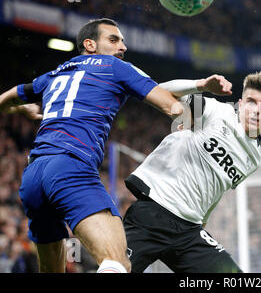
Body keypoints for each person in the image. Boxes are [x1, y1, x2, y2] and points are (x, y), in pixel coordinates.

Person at [0, 18, 219, 273]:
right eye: (113, 40)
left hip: (33, 177)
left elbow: (8, 96)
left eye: (123, 41)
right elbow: (170, 104)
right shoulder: (116, 67)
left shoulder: (56, 73)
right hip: (70, 168)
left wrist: (19, 107)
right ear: (90, 44)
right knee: (117, 262)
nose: (122, 47)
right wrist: (190, 119)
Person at [122, 71, 261, 273]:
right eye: (251, 101)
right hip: (152, 214)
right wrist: (201, 84)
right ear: (240, 104)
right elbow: (159, 90)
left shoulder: (253, 159)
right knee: (116, 268)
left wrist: (204, 220)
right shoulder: (217, 112)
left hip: (189, 233)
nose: (257, 110)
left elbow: (217, 189)